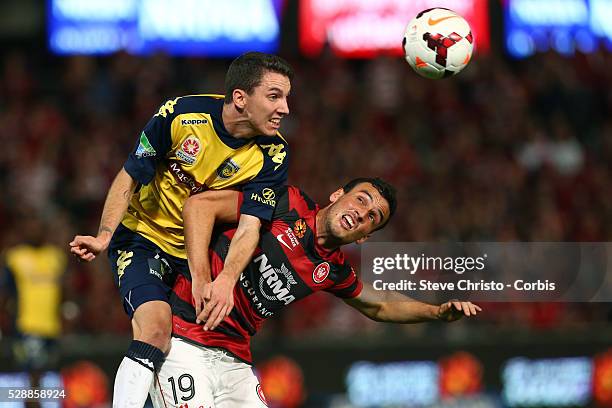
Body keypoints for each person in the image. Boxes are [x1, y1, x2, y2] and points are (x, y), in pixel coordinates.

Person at [68, 52, 294, 407]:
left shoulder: (274, 154)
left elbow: (251, 225)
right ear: (240, 98)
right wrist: (105, 234)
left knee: (184, 353)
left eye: (286, 97)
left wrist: (225, 281)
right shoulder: (181, 116)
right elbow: (130, 174)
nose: (285, 108)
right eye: (274, 96)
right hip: (143, 238)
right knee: (156, 331)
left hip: (199, 255)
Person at [149, 178, 482, 407]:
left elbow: (379, 305)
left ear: (365, 236)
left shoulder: (333, 270)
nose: (361, 213)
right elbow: (200, 206)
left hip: (234, 358)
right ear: (338, 195)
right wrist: (202, 278)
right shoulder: (285, 201)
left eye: (372, 217)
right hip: (183, 336)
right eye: (360, 200)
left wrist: (436, 313)